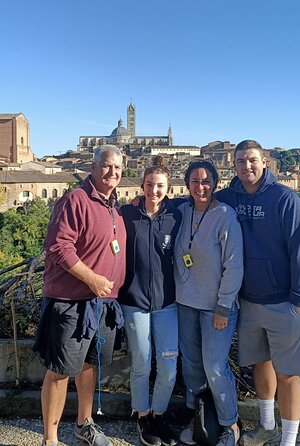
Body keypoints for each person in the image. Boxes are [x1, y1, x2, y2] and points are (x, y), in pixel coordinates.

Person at [215, 140, 300, 446]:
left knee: (288, 374)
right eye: (241, 162)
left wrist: (299, 299)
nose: (247, 167)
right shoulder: (228, 198)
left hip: (284, 302)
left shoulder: (285, 199)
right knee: (260, 364)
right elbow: (198, 200)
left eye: (252, 161)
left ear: (264, 163)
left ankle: (288, 440)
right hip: (248, 301)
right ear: (233, 165)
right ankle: (267, 425)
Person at [34, 145, 127, 446]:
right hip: (72, 303)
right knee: (60, 371)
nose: (112, 172)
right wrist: (92, 278)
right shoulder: (76, 200)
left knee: (89, 365)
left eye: (117, 168)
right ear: (93, 167)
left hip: (102, 304)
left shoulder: (113, 206)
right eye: (106, 166)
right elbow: (59, 247)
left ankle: (84, 424)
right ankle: (50, 439)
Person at [175, 159, 244, 446]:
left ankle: (230, 426)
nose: (200, 186)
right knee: (191, 366)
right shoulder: (181, 211)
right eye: (195, 181)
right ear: (187, 184)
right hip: (184, 303)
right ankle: (199, 420)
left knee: (215, 366)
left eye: (206, 181)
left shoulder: (225, 216)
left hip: (217, 307)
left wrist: (224, 306)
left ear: (215, 183)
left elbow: (234, 265)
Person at [118, 156, 182, 446]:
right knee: (142, 364)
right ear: (142, 186)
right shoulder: (127, 215)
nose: (154, 190)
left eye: (160, 186)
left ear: (168, 188)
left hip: (168, 303)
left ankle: (159, 414)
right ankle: (143, 416)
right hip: (134, 301)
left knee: (168, 365)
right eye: (149, 185)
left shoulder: (176, 216)